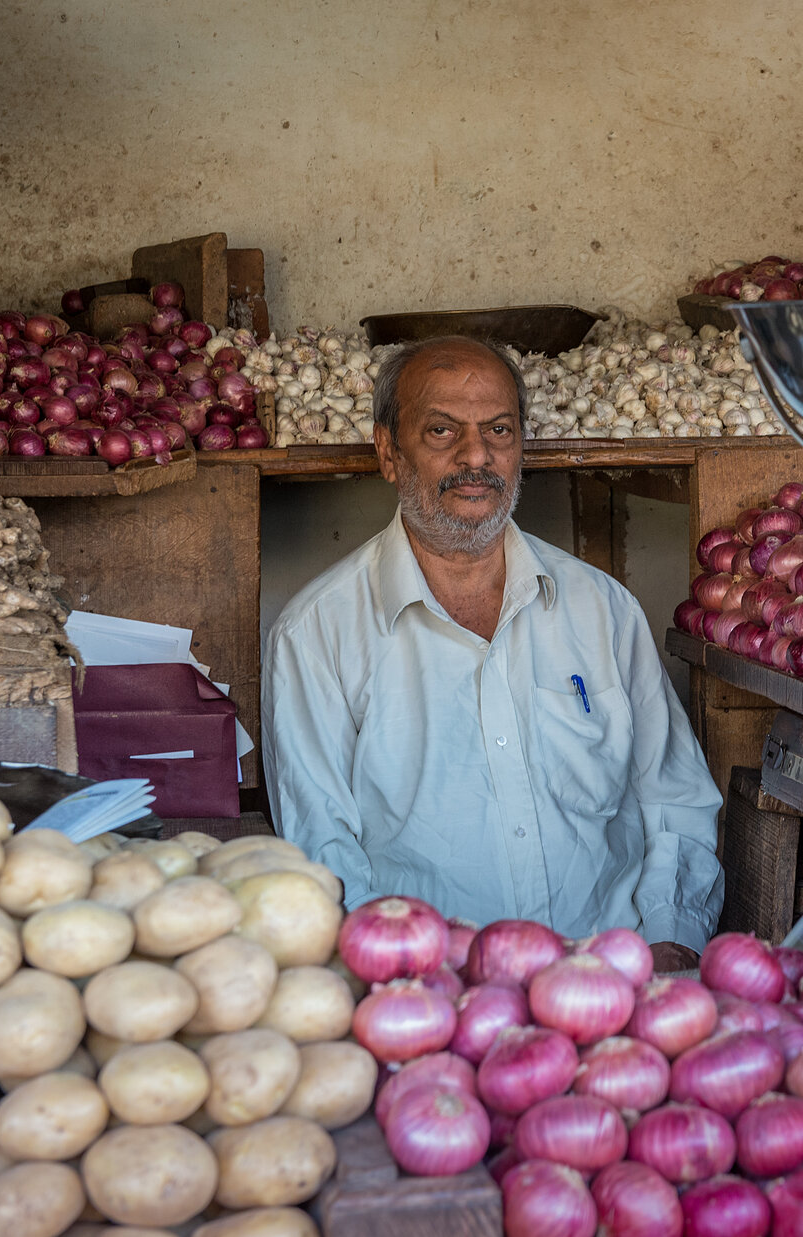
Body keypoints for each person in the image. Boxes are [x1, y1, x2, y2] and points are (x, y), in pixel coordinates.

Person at [262, 334, 722, 973]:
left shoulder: (601, 609)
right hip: (431, 999)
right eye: (442, 431)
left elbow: (675, 800)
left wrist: (671, 943)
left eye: (499, 430)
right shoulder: (318, 632)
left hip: (612, 980)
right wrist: (404, 987)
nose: (477, 455)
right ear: (389, 452)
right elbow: (322, 851)